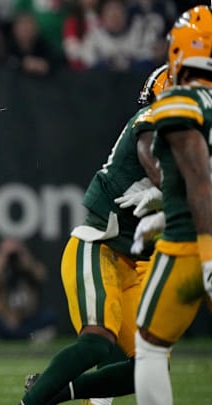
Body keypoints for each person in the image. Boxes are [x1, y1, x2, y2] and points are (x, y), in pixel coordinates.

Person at [19, 63, 169, 405]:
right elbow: (154, 157)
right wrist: (175, 189)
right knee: (97, 341)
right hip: (98, 245)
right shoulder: (152, 120)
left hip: (133, 264)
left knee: (151, 367)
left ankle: (57, 391)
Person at [134, 6, 212, 404]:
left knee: (149, 344)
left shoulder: (181, 100)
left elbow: (200, 182)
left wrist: (207, 255)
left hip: (191, 242)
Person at [0, 238, 57, 341]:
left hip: (25, 319)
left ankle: (29, 336)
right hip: (1, 320)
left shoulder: (26, 267)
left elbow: (42, 277)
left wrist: (25, 260)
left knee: (50, 316)